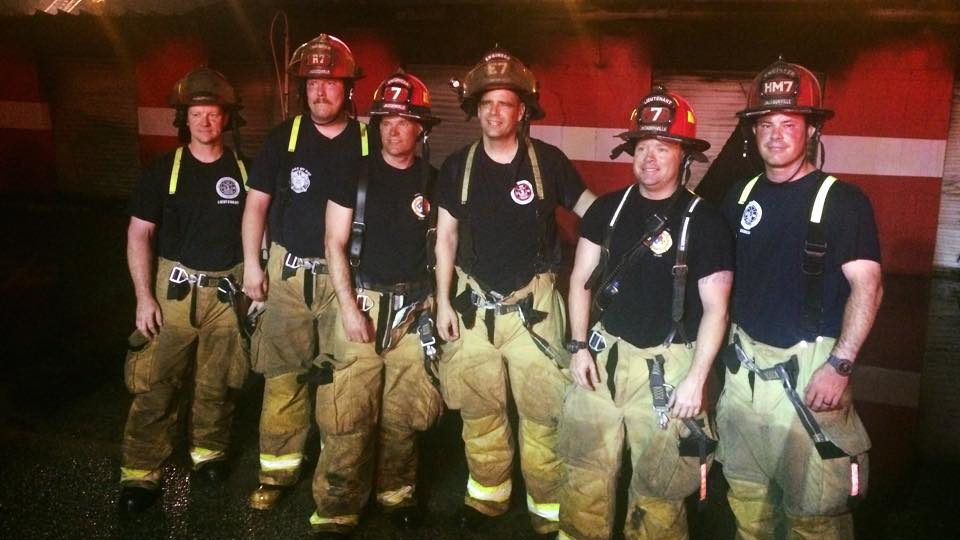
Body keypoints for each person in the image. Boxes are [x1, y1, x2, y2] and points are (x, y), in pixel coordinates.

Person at [717, 58, 883, 540]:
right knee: (747, 497)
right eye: (766, 124)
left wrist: (841, 364)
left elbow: (867, 286)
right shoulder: (740, 195)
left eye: (789, 123)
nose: (776, 134)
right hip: (744, 370)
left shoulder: (843, 201)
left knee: (815, 508)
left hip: (811, 371)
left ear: (810, 130)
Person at [559, 87, 733, 540]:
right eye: (641, 147)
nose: (650, 157)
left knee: (661, 487)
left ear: (685, 155)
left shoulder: (707, 222)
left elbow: (716, 309)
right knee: (584, 473)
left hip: (670, 368)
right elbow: (580, 280)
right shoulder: (605, 211)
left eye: (663, 146)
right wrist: (578, 347)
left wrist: (696, 379)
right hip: (603, 357)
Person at [435, 47, 596, 537]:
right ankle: (487, 498)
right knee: (480, 414)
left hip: (537, 312)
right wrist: (442, 301)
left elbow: (595, 213)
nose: (494, 112)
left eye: (504, 104)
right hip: (473, 311)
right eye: (486, 103)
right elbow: (445, 236)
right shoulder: (457, 166)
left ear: (522, 111)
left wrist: (648, 214)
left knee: (543, 413)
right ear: (476, 110)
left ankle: (547, 510)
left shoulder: (549, 163)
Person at [311, 69, 444, 538]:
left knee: (403, 415)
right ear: (377, 125)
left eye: (404, 120)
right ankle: (337, 508)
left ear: (420, 127)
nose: (394, 128)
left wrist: (439, 307)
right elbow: (333, 243)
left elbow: (445, 247)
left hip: (414, 310)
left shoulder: (435, 180)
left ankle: (396, 494)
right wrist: (348, 307)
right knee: (347, 415)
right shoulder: (354, 174)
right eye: (386, 119)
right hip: (362, 305)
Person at [241, 33, 366, 511]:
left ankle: (337, 485)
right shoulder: (283, 139)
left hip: (346, 282)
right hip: (288, 277)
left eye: (330, 82)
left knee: (343, 383)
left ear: (348, 88)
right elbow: (255, 207)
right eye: (313, 82)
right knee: (283, 376)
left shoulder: (367, 141)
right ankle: (277, 472)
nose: (320, 92)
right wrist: (253, 265)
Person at [120, 67, 249, 513]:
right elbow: (139, 235)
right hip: (173, 295)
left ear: (226, 118)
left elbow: (262, 234)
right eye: (196, 113)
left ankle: (209, 455)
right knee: (156, 385)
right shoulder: (162, 172)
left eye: (213, 113)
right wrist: (143, 297)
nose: (205, 121)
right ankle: (141, 472)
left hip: (228, 297)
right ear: (184, 119)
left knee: (218, 384)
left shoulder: (245, 172)